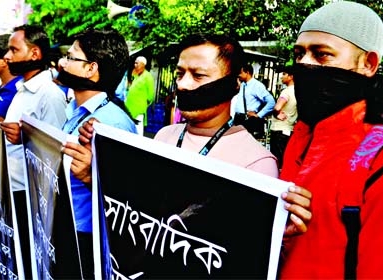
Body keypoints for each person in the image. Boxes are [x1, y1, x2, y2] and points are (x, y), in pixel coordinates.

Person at [77, 33, 312, 277]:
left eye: (198, 75)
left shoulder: (256, 164)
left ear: (233, 84)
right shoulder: (164, 136)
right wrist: (91, 176)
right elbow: (140, 211)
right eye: (180, 74)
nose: (183, 84)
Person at [279, 2, 383, 279]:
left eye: (322, 55)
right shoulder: (303, 134)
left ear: (368, 64)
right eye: (299, 54)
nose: (305, 64)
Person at [58, 27, 137, 279]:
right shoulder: (75, 110)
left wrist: (93, 175)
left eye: (71, 58)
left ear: (91, 69)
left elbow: (127, 196)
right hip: (67, 226)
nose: (63, 63)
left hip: (87, 237)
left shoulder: (111, 122)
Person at [0, 24, 67, 278]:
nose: (8, 56)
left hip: (30, 196)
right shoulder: (22, 89)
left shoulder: (49, 94)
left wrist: (25, 138)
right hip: (12, 186)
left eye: (13, 49)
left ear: (35, 53)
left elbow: (55, 151)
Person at [233, 64, 275, 139]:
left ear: (247, 72)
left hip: (247, 120)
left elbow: (271, 102)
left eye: (241, 73)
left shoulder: (257, 85)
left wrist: (259, 115)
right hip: (238, 118)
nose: (239, 75)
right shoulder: (243, 84)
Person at [269, 65, 296, 170]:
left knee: (276, 161)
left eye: (284, 74)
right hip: (289, 129)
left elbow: (277, 108)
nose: (281, 76)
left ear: (291, 76)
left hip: (279, 129)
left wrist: (276, 113)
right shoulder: (298, 92)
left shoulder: (286, 92)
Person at [124, 56, 155, 134]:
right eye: (135, 63)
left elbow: (150, 96)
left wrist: (144, 103)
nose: (135, 65)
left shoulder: (148, 76)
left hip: (139, 109)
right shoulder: (136, 75)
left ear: (143, 64)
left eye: (137, 63)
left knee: (138, 131)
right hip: (129, 107)